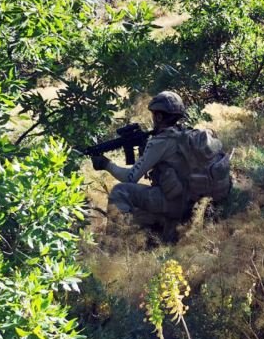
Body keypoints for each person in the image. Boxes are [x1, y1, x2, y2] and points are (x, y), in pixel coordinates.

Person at [91, 91, 230, 241]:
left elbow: (130, 178)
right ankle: (159, 229)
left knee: (120, 191)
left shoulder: (162, 141)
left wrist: (106, 164)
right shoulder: (187, 134)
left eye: (154, 115)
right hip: (196, 202)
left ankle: (114, 242)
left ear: (159, 117)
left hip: (178, 204)